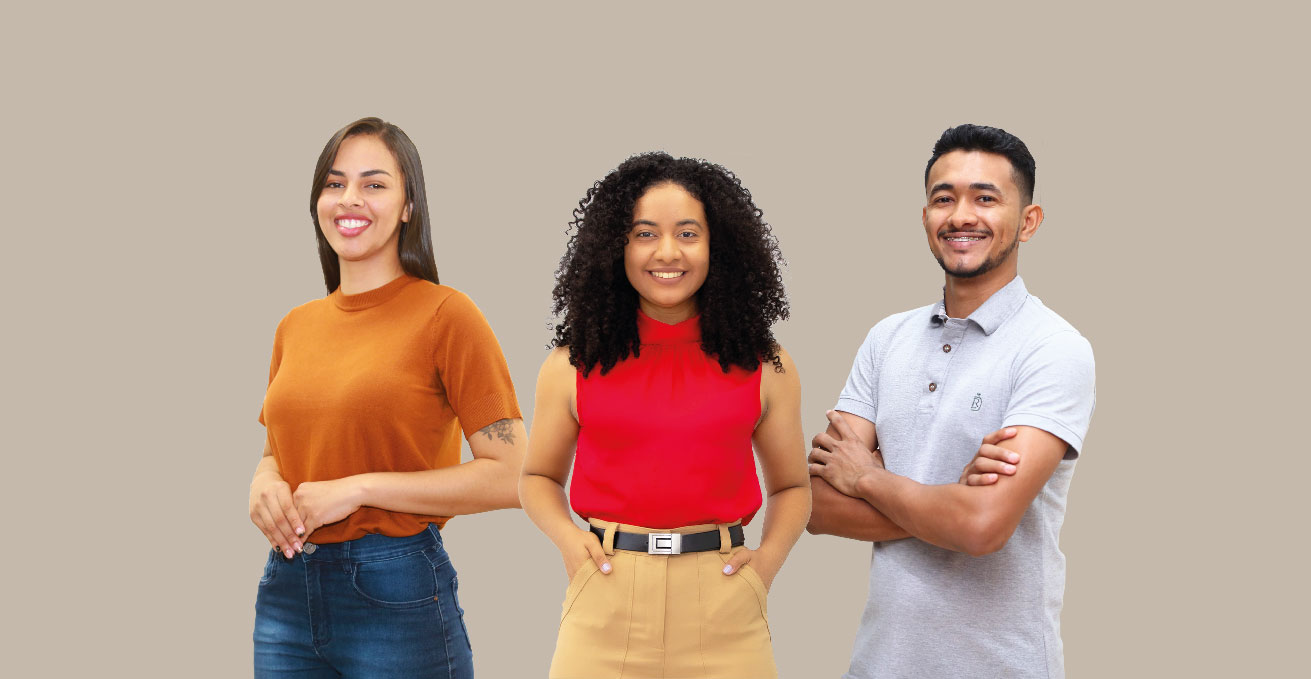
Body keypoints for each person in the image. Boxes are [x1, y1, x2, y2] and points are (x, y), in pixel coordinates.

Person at [807, 124, 1096, 679]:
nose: (961, 215)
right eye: (945, 198)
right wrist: (954, 507)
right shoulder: (885, 338)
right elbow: (817, 507)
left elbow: (983, 529)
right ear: (926, 218)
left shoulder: (1054, 349)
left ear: (1028, 222)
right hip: (876, 666)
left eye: (985, 198)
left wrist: (868, 478)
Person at [248, 117, 526, 678]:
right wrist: (264, 484)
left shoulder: (446, 315)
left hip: (394, 588)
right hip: (286, 587)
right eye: (334, 183)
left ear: (408, 206)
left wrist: (360, 490)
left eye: (374, 184)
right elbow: (279, 448)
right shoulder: (294, 326)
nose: (350, 198)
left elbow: (514, 474)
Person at [520, 152, 811, 678]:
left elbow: (792, 487)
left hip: (724, 603)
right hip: (604, 599)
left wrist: (763, 568)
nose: (667, 252)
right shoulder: (571, 365)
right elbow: (538, 477)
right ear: (617, 247)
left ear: (718, 246)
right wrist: (570, 543)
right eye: (645, 234)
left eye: (688, 234)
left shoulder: (767, 365)